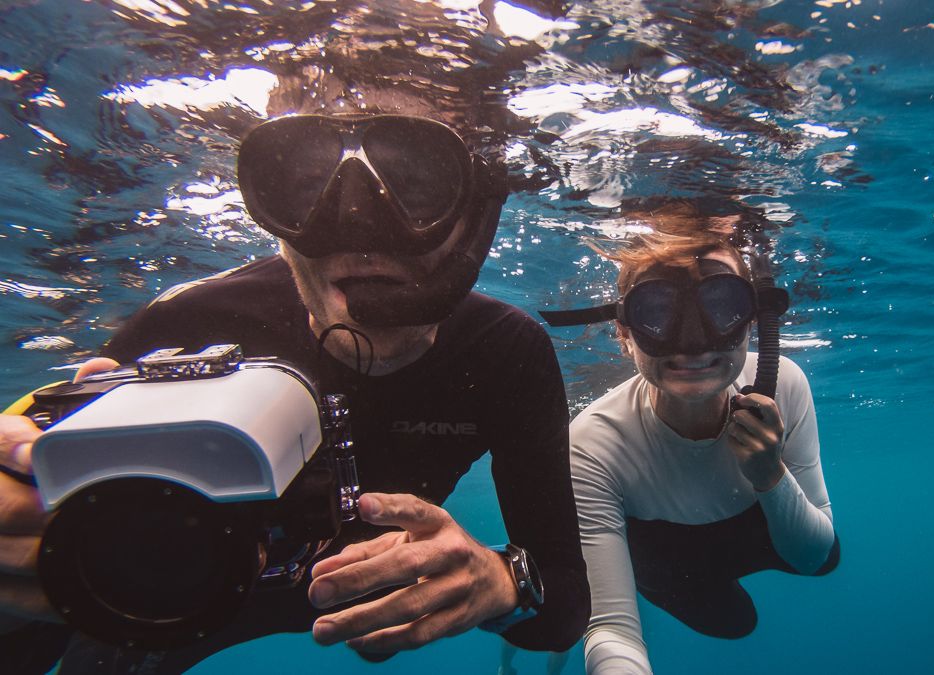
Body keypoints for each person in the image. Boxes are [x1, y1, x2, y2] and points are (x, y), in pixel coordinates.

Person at [0, 77, 589, 673]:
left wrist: (499, 580)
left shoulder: (505, 351)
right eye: (305, 186)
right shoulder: (190, 322)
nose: (356, 223)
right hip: (172, 605)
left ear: (477, 212)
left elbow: (564, 605)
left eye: (415, 183)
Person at [543, 227, 839, 674]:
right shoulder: (592, 445)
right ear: (624, 333)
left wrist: (769, 473)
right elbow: (613, 629)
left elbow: (813, 557)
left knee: (825, 559)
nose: (693, 341)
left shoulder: (785, 383)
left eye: (721, 307)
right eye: (657, 312)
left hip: (758, 527)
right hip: (671, 565)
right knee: (735, 623)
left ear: (751, 320)